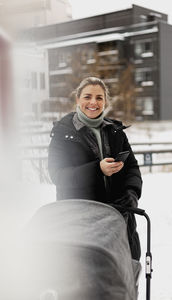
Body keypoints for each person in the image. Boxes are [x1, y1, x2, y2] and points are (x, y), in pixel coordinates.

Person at [48, 77, 143, 260]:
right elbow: (58, 175)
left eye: (99, 98)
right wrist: (97, 169)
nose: (93, 102)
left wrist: (132, 193)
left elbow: (132, 167)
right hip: (80, 223)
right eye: (88, 96)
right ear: (78, 99)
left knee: (124, 278)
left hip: (119, 221)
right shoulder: (63, 133)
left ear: (105, 101)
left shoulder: (115, 131)